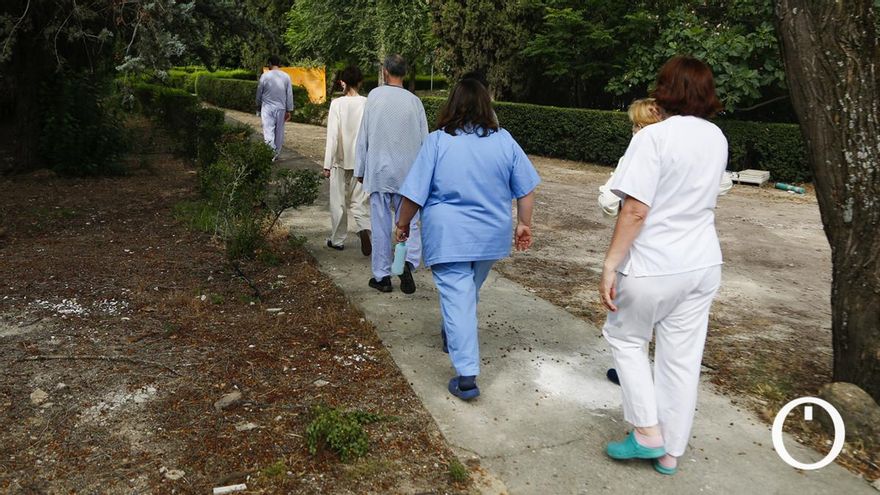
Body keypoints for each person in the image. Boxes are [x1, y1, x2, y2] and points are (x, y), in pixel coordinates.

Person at [599, 56, 727, 476]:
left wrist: (611, 264)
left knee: (626, 339)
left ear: (665, 90)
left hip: (656, 262)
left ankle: (647, 434)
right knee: (682, 357)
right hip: (703, 261)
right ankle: (670, 450)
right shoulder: (717, 138)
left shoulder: (653, 138)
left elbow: (635, 209)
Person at [395, 79, 540, 401]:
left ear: (452, 105)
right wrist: (524, 224)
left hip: (450, 236)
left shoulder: (437, 142)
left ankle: (466, 376)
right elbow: (526, 186)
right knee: (466, 291)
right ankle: (454, 332)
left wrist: (401, 224)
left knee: (459, 295)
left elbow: (414, 191)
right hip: (490, 236)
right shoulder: (504, 141)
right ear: (487, 105)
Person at [354, 54, 427, 294]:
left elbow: (363, 136)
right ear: (404, 72)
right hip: (408, 172)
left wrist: (360, 169)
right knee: (410, 222)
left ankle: (382, 276)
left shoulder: (374, 96)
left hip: (379, 170)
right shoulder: (415, 102)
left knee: (381, 223)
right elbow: (425, 141)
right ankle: (408, 262)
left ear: (385, 71)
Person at [323, 66, 371, 255]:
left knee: (338, 202)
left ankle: (337, 239)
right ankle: (364, 229)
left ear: (343, 82)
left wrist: (327, 164)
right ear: (360, 82)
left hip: (340, 159)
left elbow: (332, 136)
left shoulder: (337, 103)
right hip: (361, 161)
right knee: (360, 202)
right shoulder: (367, 103)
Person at [255, 55, 293, 160]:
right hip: (281, 108)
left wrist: (257, 104)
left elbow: (259, 92)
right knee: (279, 131)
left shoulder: (265, 76)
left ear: (270, 64)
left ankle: (270, 152)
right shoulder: (286, 76)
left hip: (267, 107)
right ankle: (276, 153)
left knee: (268, 130)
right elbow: (289, 94)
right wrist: (289, 109)